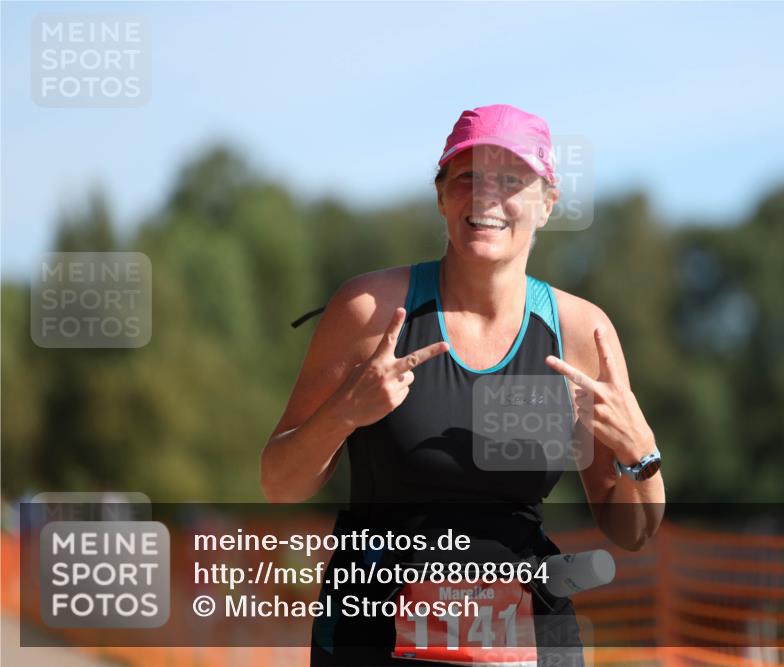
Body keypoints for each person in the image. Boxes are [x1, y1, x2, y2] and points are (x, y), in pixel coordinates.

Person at [261, 103, 666, 666]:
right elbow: (280, 483)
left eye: (511, 181)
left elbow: (632, 531)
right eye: (467, 177)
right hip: (372, 634)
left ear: (547, 203)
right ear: (441, 196)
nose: (484, 198)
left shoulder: (580, 331)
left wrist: (640, 452)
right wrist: (345, 412)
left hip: (528, 638)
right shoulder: (370, 310)